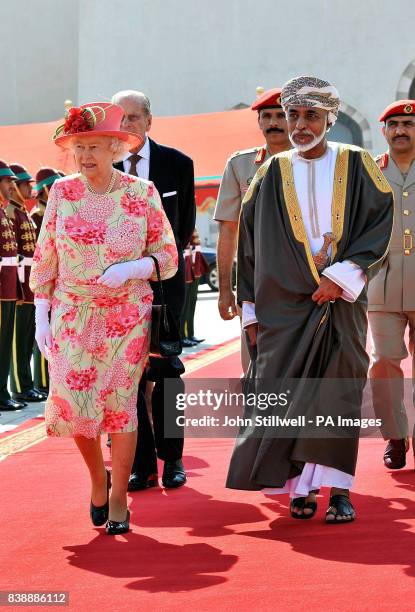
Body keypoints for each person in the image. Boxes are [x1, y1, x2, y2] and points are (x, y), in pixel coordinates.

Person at [226, 76, 394, 523]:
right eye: (292, 115)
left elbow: (378, 225)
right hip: (283, 307)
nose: (300, 125)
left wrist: (340, 278)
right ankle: (298, 486)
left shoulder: (357, 164)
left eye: (310, 116)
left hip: (341, 302)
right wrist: (251, 309)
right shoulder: (270, 172)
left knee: (337, 393)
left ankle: (339, 489)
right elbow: (250, 246)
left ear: (330, 119)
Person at [29, 102, 178, 534]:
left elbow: (167, 257)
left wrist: (132, 269)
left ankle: (118, 498)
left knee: (119, 404)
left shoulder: (141, 193)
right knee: (76, 405)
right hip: (72, 313)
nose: (86, 156)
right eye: (80, 148)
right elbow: (46, 256)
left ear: (116, 147)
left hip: (126, 313)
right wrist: (42, 313)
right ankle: (99, 480)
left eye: (95, 146)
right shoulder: (61, 192)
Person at [112, 89, 195, 491]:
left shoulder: (177, 164)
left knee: (166, 374)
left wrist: (154, 267)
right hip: (116, 293)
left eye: (133, 117)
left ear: (149, 120)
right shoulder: (103, 166)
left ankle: (174, 460)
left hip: (164, 287)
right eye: (120, 118)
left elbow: (180, 231)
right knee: (125, 379)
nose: (126, 125)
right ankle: (140, 465)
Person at [214, 88, 291, 372]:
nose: (273, 122)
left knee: (304, 363)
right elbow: (228, 230)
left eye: (281, 115)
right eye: (267, 116)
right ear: (259, 122)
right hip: (255, 281)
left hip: (305, 278)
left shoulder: (314, 162)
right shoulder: (240, 165)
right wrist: (225, 289)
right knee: (256, 365)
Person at [368, 100, 415, 470]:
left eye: (409, 124)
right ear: (384, 130)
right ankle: (395, 436)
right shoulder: (369, 171)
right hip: (381, 284)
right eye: (395, 124)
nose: (401, 130)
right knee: (384, 362)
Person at [7, 164, 45, 403]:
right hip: (18, 281)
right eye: (24, 185)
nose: (28, 189)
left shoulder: (20, 212)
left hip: (29, 281)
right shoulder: (12, 212)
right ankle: (20, 386)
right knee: (19, 341)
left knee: (28, 337)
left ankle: (28, 384)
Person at [30, 168, 63, 396]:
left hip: (62, 278)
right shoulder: (37, 215)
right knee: (45, 331)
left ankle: (49, 377)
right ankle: (42, 381)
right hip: (46, 277)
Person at [0, 161, 27, 411]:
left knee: (6, 341)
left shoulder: (3, 212)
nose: (12, 186)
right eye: (7, 181)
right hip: (1, 288)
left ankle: (3, 392)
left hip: (8, 287)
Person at [181, 228, 208, 346]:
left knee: (192, 304)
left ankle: (190, 334)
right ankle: (183, 336)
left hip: (194, 266)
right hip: (187, 268)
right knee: (185, 306)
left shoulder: (192, 222)